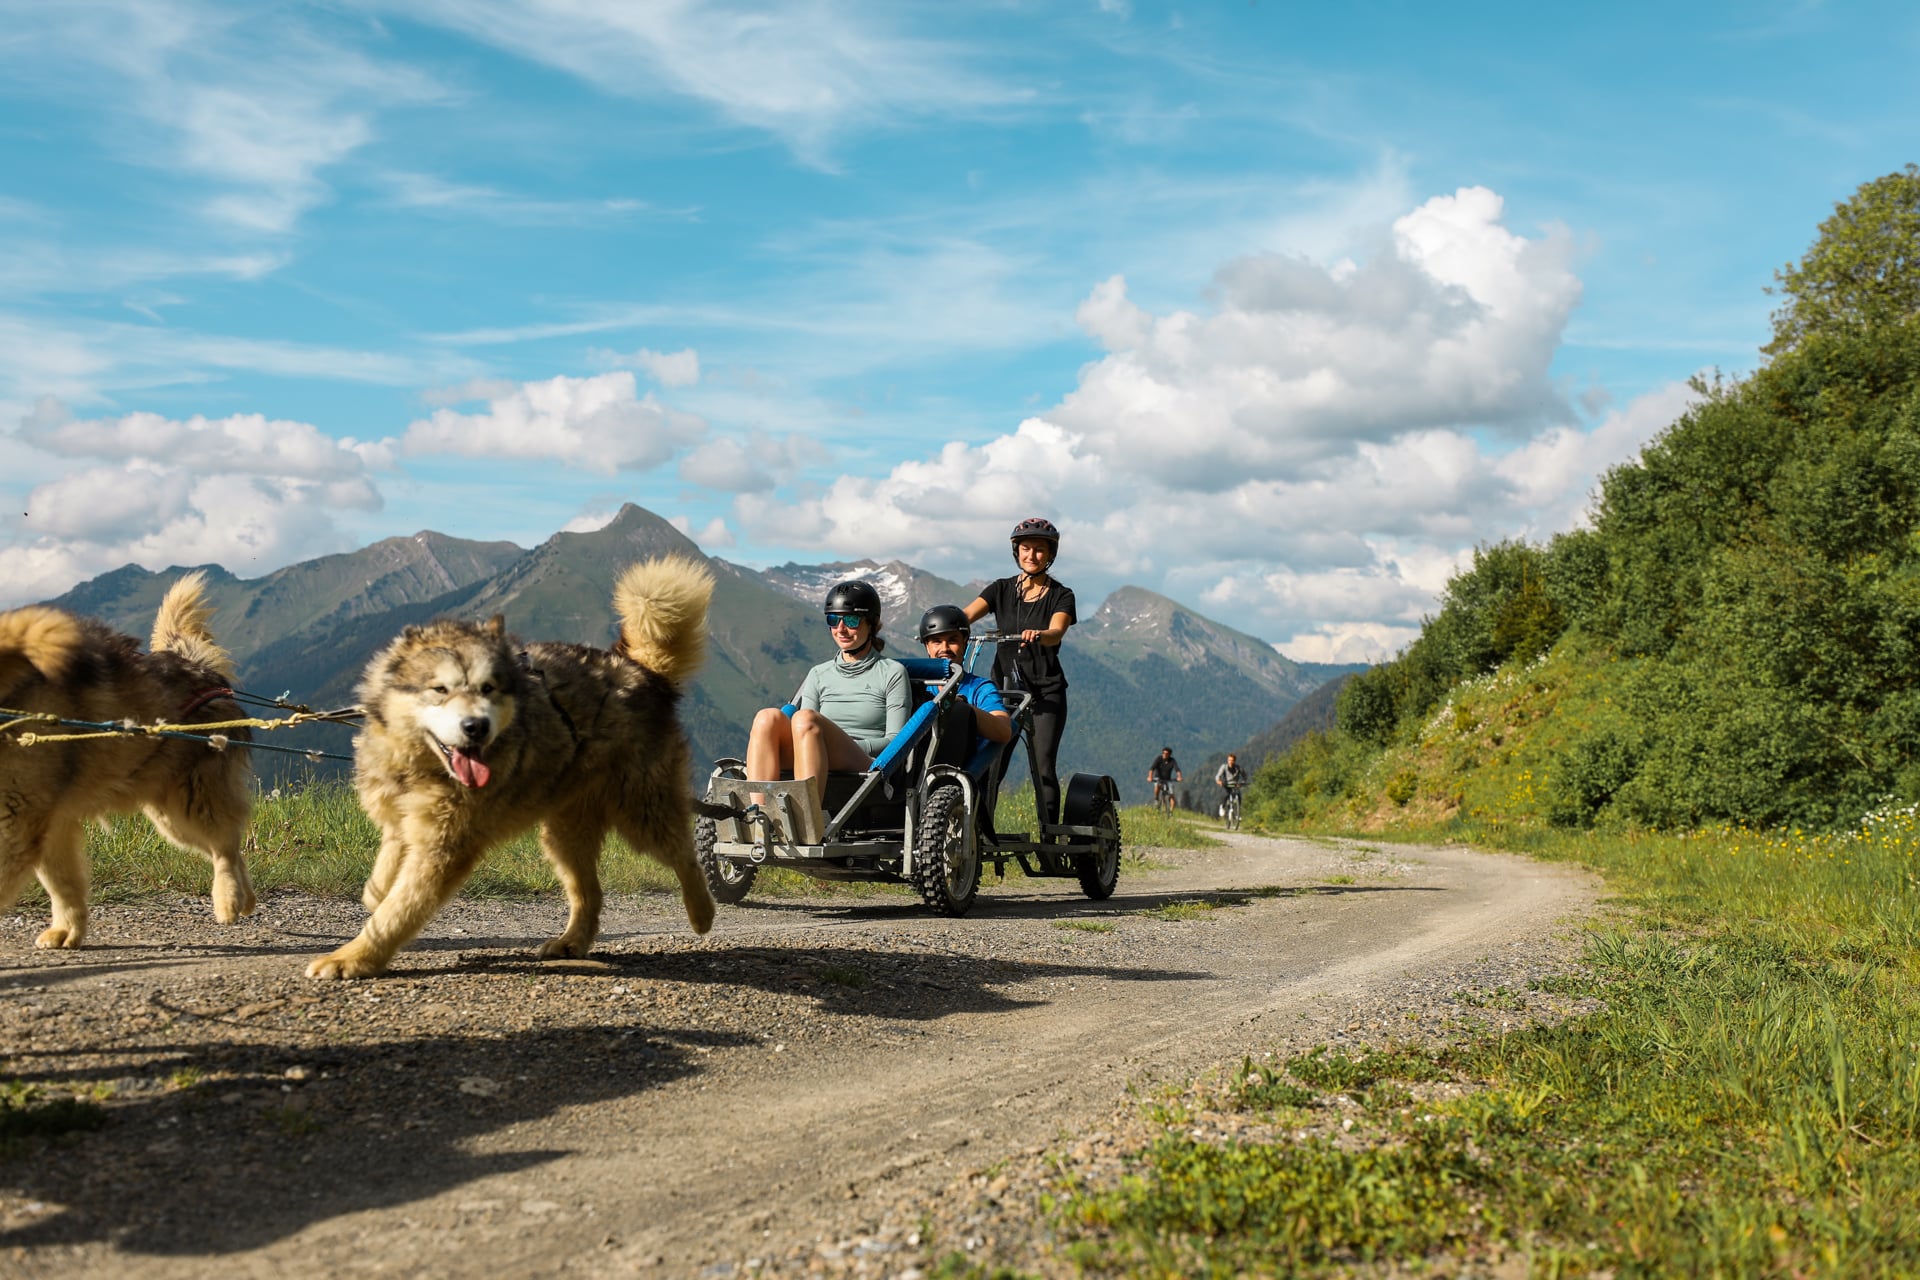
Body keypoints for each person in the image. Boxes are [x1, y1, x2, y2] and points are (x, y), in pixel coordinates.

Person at [746, 580, 910, 813]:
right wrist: (821, 744)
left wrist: (843, 744)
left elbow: (896, 740)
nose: (841, 629)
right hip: (814, 751)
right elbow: (802, 733)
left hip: (865, 761)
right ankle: (759, 816)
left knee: (805, 719)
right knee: (767, 717)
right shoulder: (818, 674)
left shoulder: (892, 673)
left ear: (871, 624)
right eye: (834, 620)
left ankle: (805, 819)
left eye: (851, 620)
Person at [963, 517, 1076, 826]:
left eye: (1040, 550)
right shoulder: (1000, 589)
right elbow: (965, 616)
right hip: (1004, 693)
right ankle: (978, 836)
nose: (1032, 555)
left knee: (1043, 768)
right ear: (1016, 551)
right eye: (1026, 548)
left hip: (1045, 693)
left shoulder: (1061, 595)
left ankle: (1050, 835)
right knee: (990, 764)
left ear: (1050, 554)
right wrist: (945, 626)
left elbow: (1057, 630)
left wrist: (1040, 634)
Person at [916, 605, 1014, 749]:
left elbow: (1003, 731)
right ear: (927, 647)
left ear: (964, 643)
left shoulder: (980, 688)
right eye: (937, 641)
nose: (945, 648)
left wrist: (957, 706)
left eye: (952, 640)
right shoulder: (918, 685)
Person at [1148, 746, 1182, 812]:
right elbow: (1152, 768)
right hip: (1158, 778)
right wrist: (1150, 777)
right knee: (1157, 785)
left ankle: (1171, 812)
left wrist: (1179, 777)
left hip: (1167, 779)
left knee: (1171, 794)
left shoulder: (1172, 760)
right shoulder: (1159, 759)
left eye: (1166, 753)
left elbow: (1177, 769)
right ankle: (1156, 799)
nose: (1164, 755)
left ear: (1169, 754)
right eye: (1163, 753)